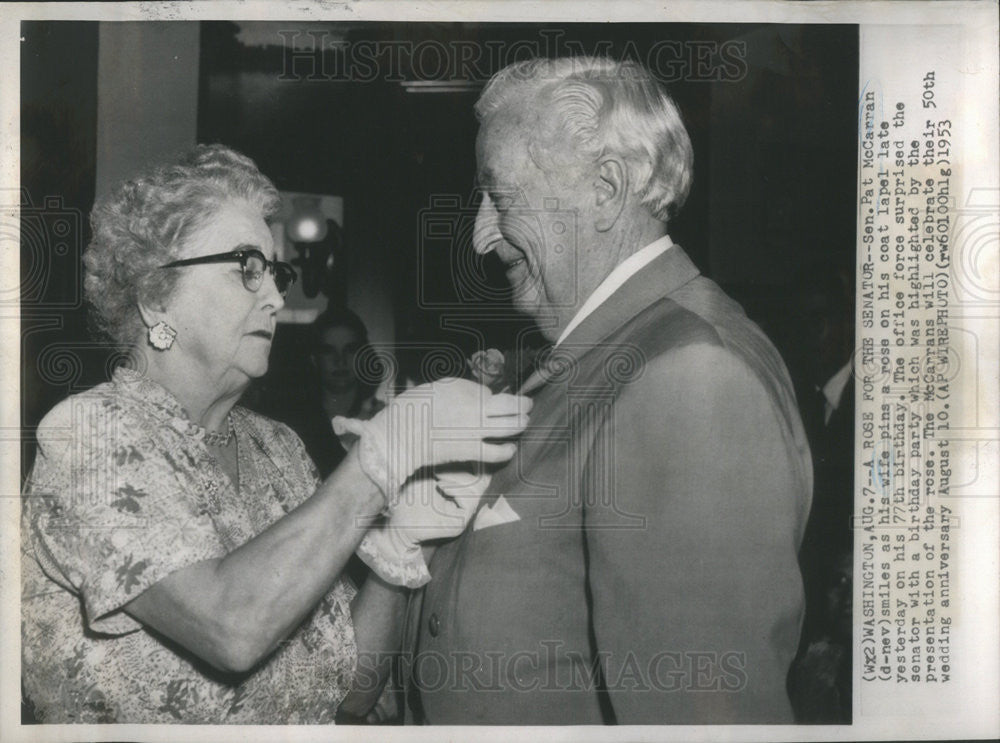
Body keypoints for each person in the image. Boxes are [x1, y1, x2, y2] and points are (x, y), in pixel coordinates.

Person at [20, 144, 530, 724]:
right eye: (246, 268)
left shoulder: (278, 448)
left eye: (274, 271)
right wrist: (375, 466)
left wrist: (398, 549)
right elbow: (230, 627)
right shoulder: (87, 436)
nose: (276, 295)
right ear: (155, 297)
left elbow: (349, 694)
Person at [405, 57, 813, 724]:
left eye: (500, 198)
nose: (481, 237)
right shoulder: (607, 356)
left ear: (604, 187)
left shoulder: (685, 378)